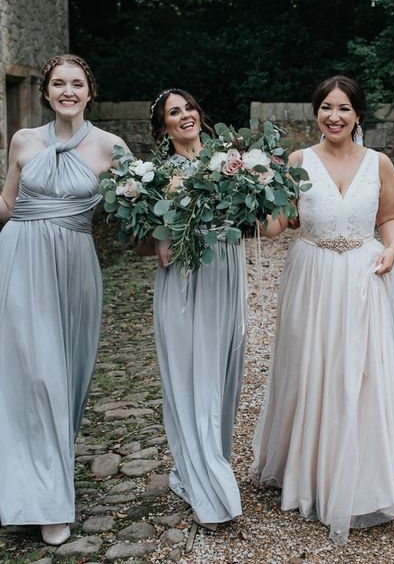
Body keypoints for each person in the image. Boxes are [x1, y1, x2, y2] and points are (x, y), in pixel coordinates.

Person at [251, 75, 394, 543]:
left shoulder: (380, 162)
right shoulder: (298, 160)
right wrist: (250, 195)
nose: (334, 116)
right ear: (316, 112)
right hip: (312, 272)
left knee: (361, 370)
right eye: (326, 107)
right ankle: (311, 471)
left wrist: (391, 251)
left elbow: (389, 218)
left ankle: (362, 473)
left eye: (344, 108)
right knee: (313, 367)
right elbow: (279, 222)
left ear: (358, 115)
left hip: (362, 274)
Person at [0, 54, 128, 545]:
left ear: (89, 92)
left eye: (77, 83)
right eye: (59, 83)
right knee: (31, 375)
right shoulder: (24, 140)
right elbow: (9, 205)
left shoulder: (111, 147)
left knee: (66, 378)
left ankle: (38, 481)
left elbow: (139, 205)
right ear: (47, 92)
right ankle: (44, 500)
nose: (68, 91)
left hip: (75, 268)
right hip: (19, 261)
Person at [148, 88, 246, 530]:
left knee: (223, 371)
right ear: (163, 126)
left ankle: (205, 464)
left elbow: (255, 215)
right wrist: (161, 234)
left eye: (189, 107)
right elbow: (154, 232)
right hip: (185, 275)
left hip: (225, 269)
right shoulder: (157, 173)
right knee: (191, 373)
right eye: (174, 112)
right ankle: (208, 484)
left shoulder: (233, 157)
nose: (185, 115)